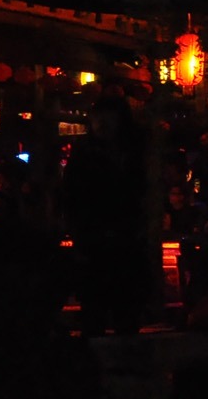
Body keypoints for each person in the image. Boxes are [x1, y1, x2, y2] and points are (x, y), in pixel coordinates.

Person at [61, 95, 151, 335]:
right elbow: (70, 196)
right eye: (97, 118)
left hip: (124, 241)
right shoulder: (84, 154)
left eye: (108, 118)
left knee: (124, 312)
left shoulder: (135, 153)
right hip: (95, 242)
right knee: (96, 312)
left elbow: (145, 191)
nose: (101, 123)